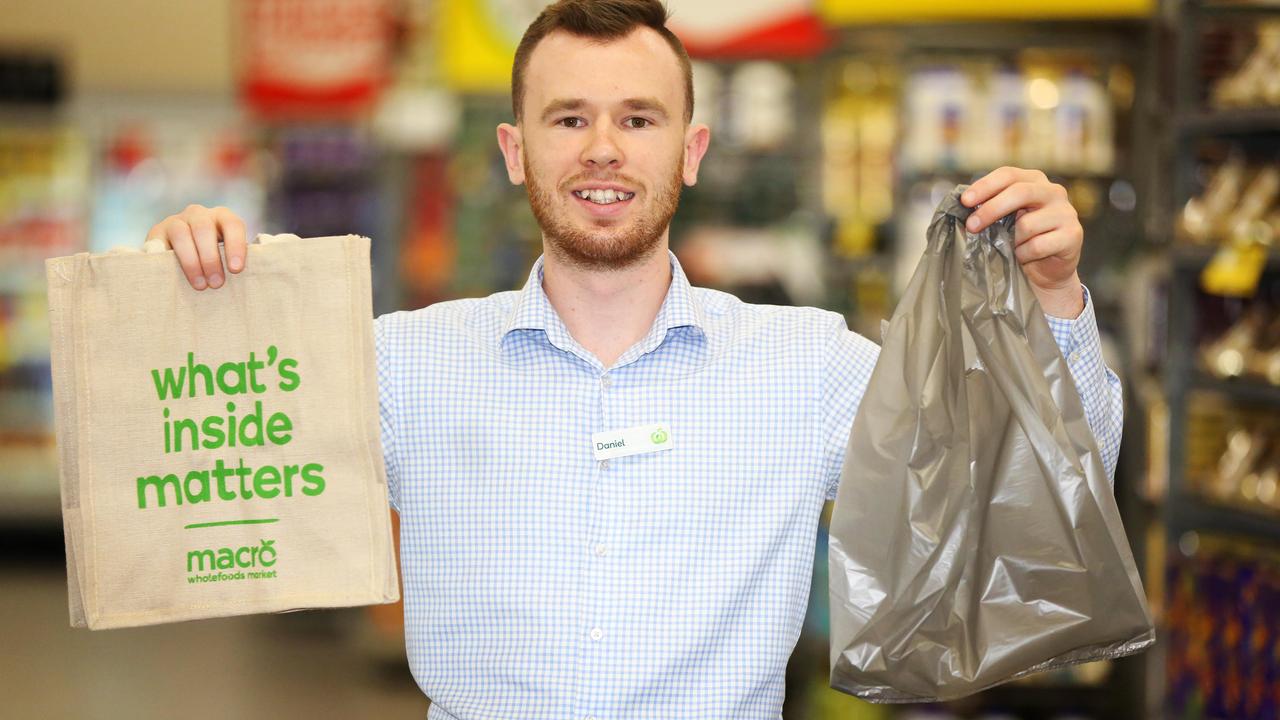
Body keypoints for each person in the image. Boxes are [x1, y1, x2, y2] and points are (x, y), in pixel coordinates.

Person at [144, 1, 1121, 717]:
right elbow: (194, 488)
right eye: (568, 119)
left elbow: (1031, 494)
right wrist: (192, 313)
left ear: (690, 151)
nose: (602, 149)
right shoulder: (403, 364)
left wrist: (1052, 303)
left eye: (638, 119)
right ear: (514, 149)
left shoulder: (803, 367)